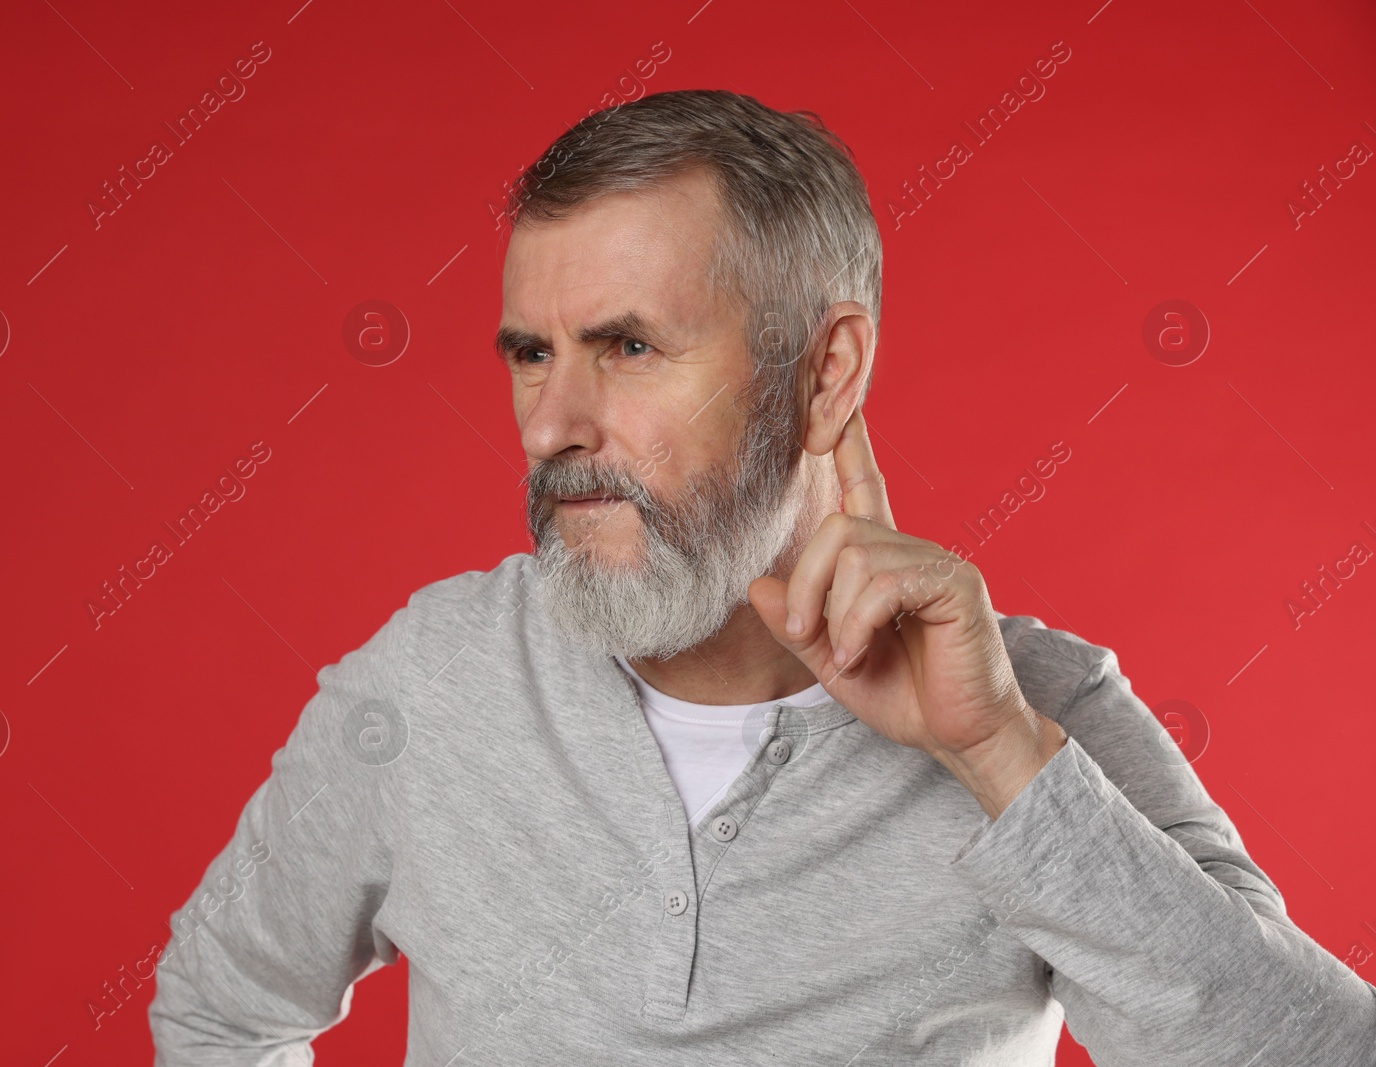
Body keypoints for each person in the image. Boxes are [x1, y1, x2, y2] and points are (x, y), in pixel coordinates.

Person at [147, 89, 1375, 1065]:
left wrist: (995, 754)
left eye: (628, 346)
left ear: (825, 371)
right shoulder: (431, 676)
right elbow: (218, 1008)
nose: (550, 425)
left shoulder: (1037, 710)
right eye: (532, 353)